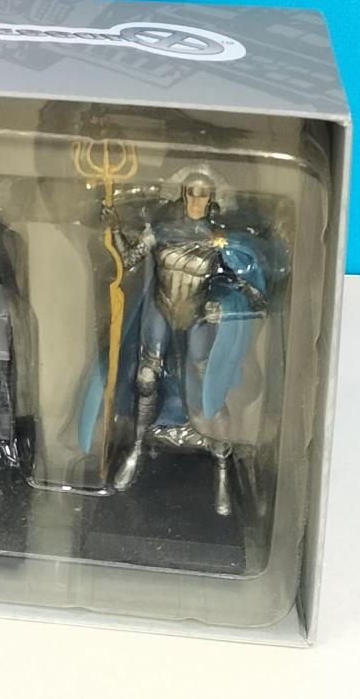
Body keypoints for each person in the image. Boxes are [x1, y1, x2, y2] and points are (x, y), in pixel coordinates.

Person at [107, 172, 267, 516]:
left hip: (196, 312)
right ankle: (136, 448)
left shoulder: (218, 240)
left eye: (203, 194)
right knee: (146, 377)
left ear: (211, 198)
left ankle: (222, 469)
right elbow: (129, 260)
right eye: (191, 193)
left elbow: (247, 285)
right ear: (182, 194)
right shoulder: (161, 230)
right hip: (161, 307)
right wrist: (115, 227)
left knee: (209, 384)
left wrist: (229, 304)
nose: (196, 200)